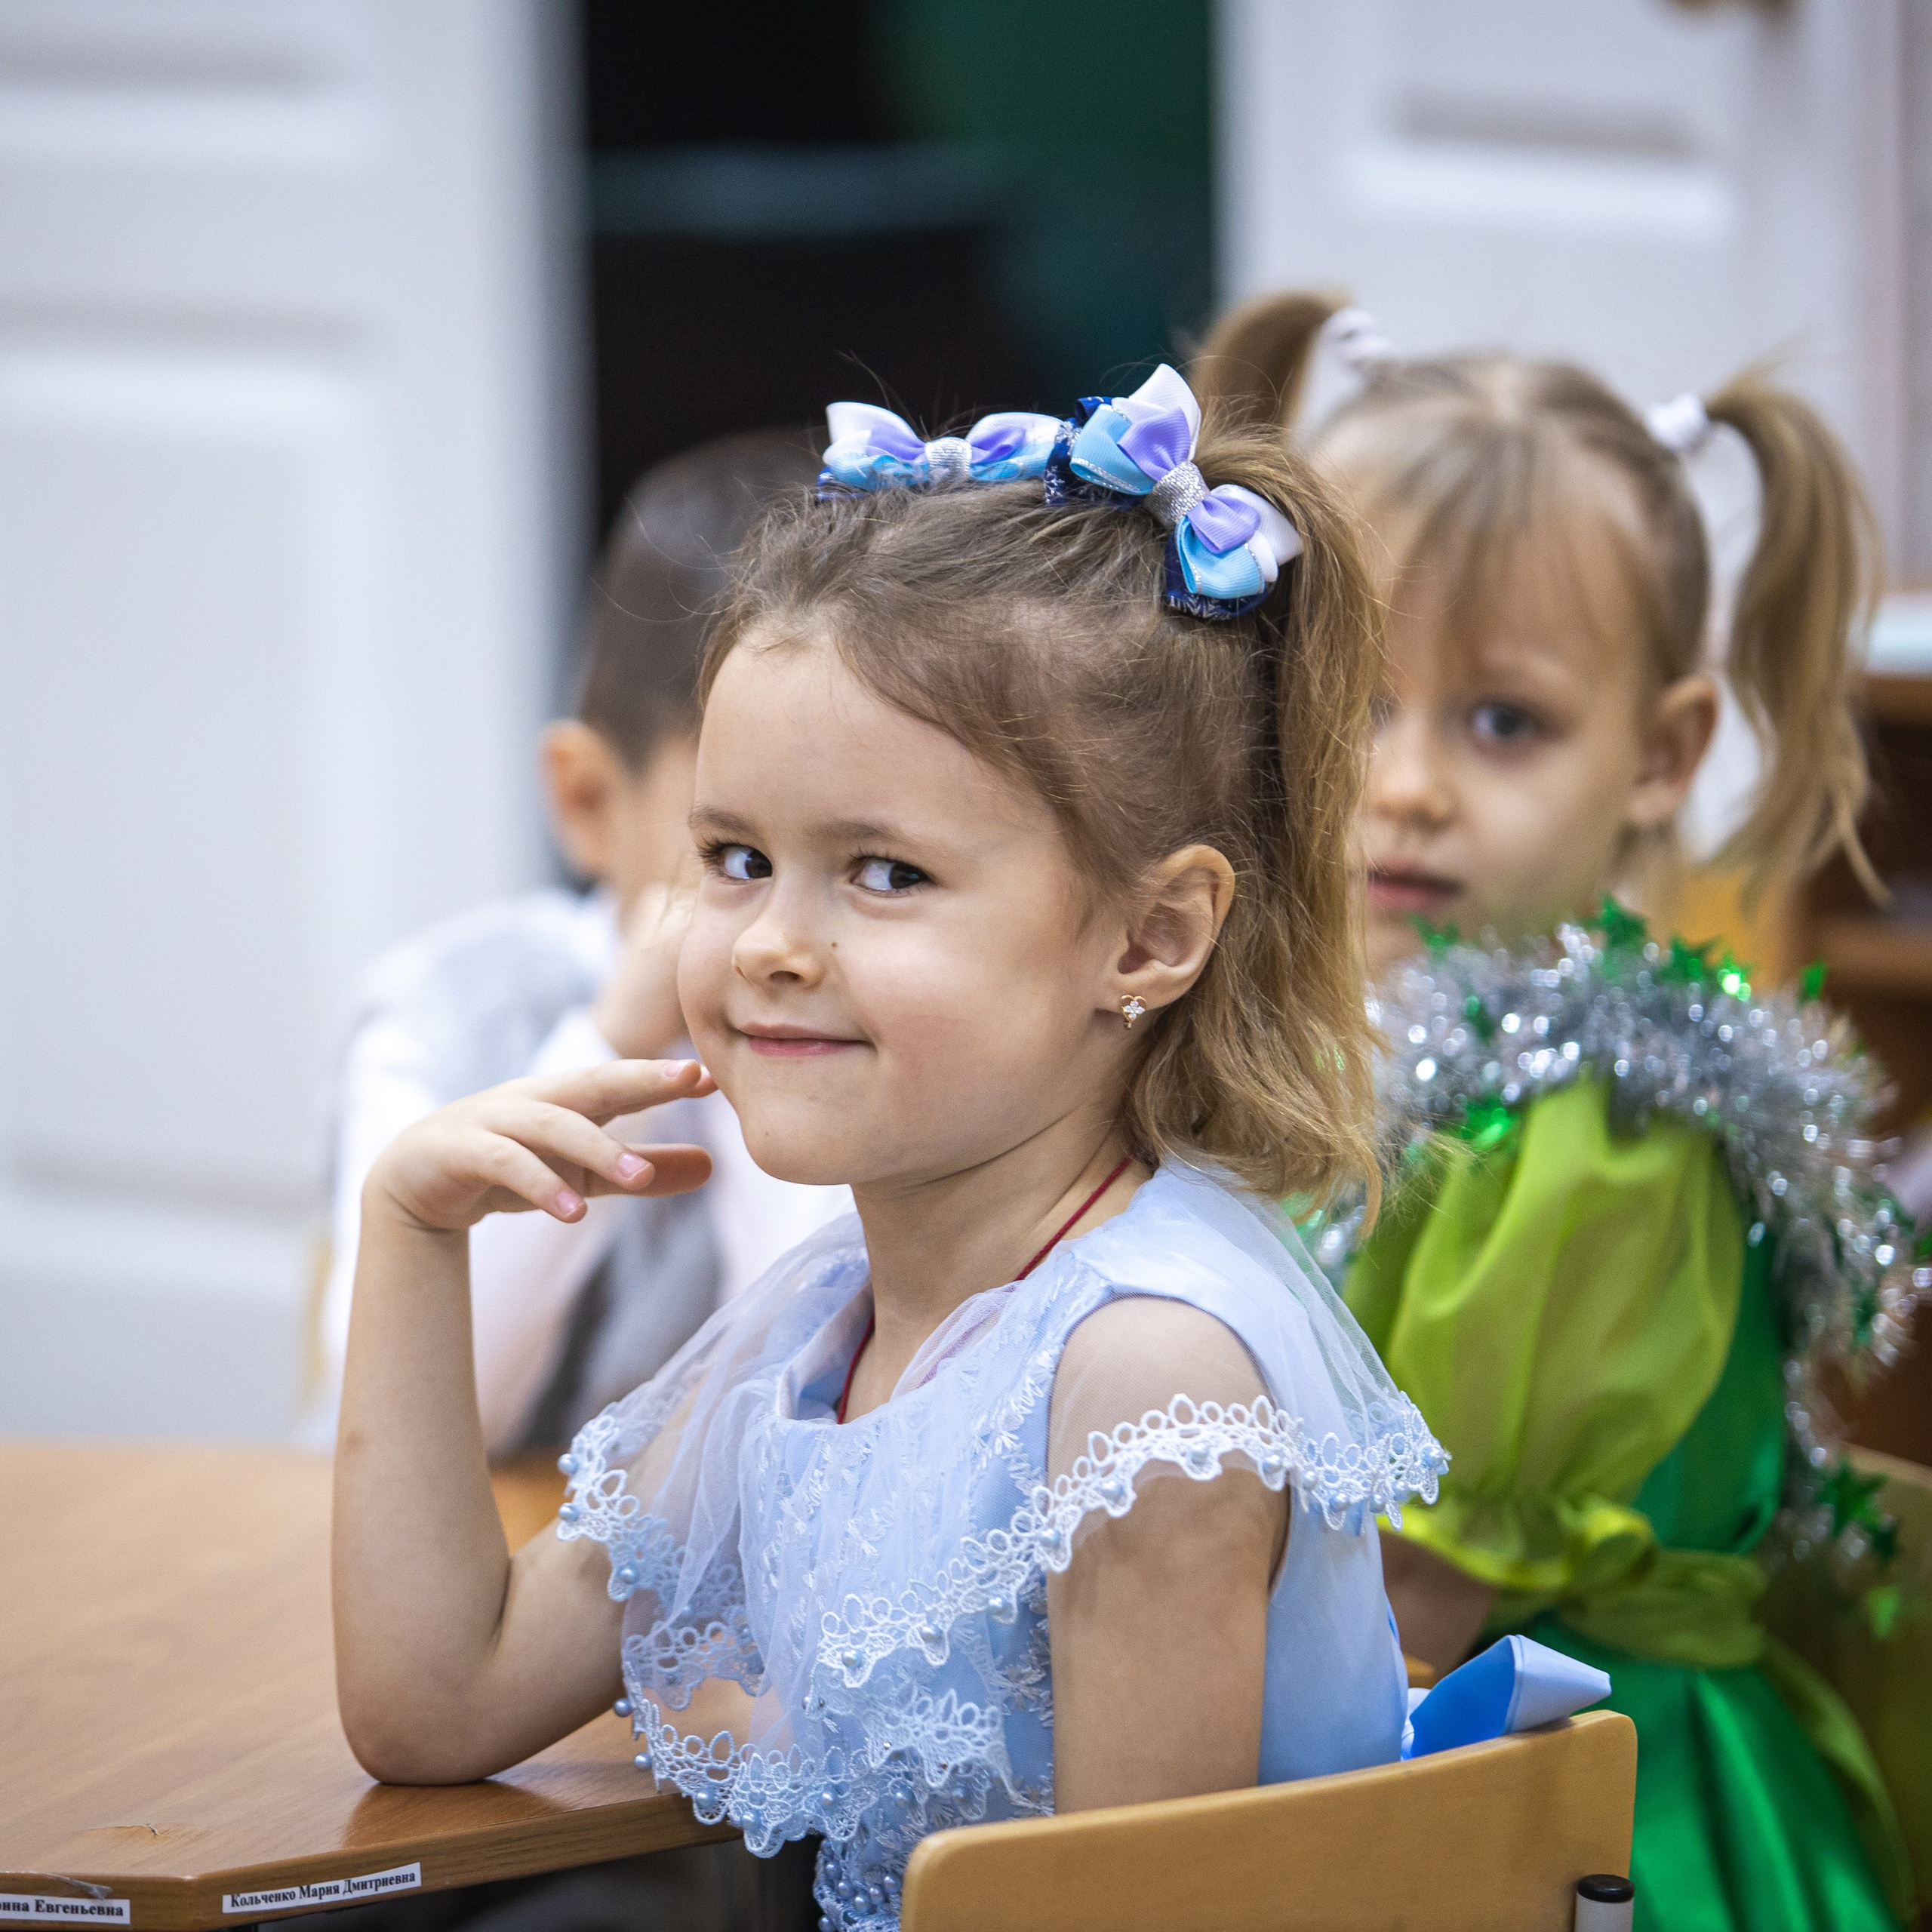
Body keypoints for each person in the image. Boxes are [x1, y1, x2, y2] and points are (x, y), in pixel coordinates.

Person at [331, 371, 1450, 1930]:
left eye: (884, 872)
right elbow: (440, 1700)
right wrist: (411, 1228)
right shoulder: (823, 1323)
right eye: (735, 857)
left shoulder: (1143, 1377)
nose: (770, 944)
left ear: (1150, 932)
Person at [1197, 294, 1924, 1930]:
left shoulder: (1597, 1136)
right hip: (1410, 1779)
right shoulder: (1334, 1043)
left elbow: (1414, 1609)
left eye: (1503, 720)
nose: (1404, 786)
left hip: (1575, 1829)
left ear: (1662, 753)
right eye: (1353, 701)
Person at [315, 431, 851, 1457]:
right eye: (738, 852)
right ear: (591, 800)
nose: (795, 924)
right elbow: (401, 1421)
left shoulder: (893, 1030)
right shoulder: (447, 1009)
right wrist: (613, 1041)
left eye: (874, 861)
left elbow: (814, 1405)